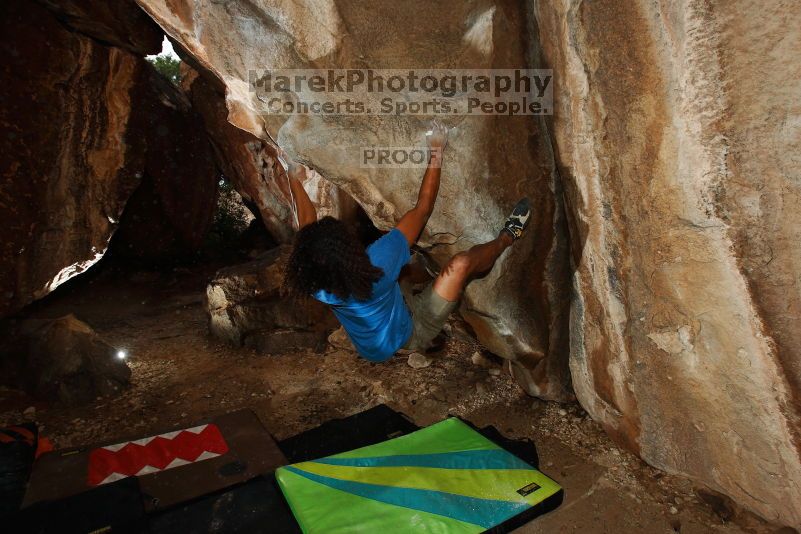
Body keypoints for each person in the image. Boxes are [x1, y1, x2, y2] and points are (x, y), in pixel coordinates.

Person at [282, 122, 531, 362]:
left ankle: (412, 288)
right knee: (460, 265)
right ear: (345, 247)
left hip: (374, 341)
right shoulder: (377, 264)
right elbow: (422, 210)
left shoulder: (313, 278)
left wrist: (293, 175)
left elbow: (306, 224)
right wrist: (436, 149)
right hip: (412, 330)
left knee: (409, 267)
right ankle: (508, 237)